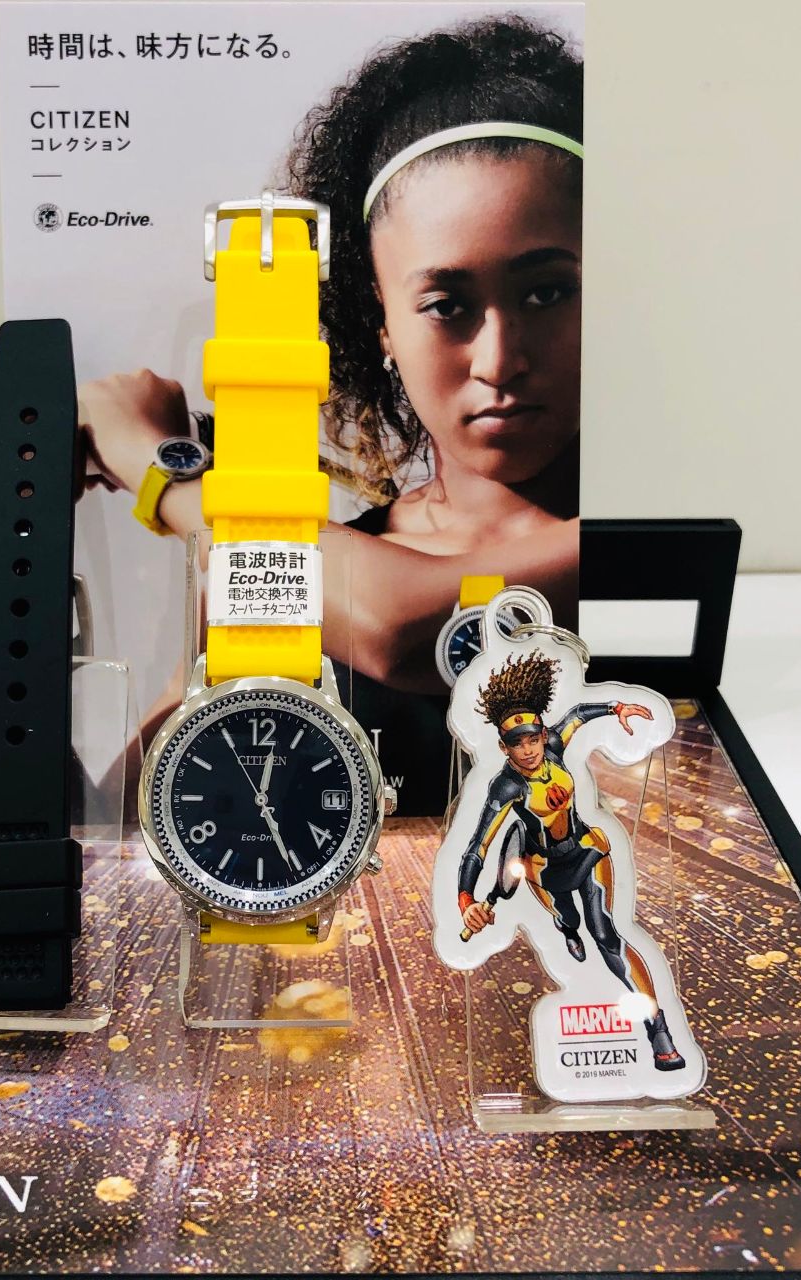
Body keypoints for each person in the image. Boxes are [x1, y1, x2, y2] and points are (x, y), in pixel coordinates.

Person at [80, 15, 583, 815]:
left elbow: (396, 625)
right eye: (446, 305)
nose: (499, 359)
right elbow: (130, 821)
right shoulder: (325, 568)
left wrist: (164, 471)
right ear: (380, 322)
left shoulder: (630, 541)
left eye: (548, 292)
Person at [455, 650, 686, 1072]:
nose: (527, 749)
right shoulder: (506, 788)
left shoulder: (556, 745)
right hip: (543, 871)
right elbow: (477, 848)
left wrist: (617, 707)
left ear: (542, 734)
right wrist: (466, 900)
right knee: (568, 919)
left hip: (587, 851)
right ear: (503, 747)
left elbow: (579, 713)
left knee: (607, 935)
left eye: (532, 738)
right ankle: (567, 930)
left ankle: (658, 1030)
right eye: (516, 743)